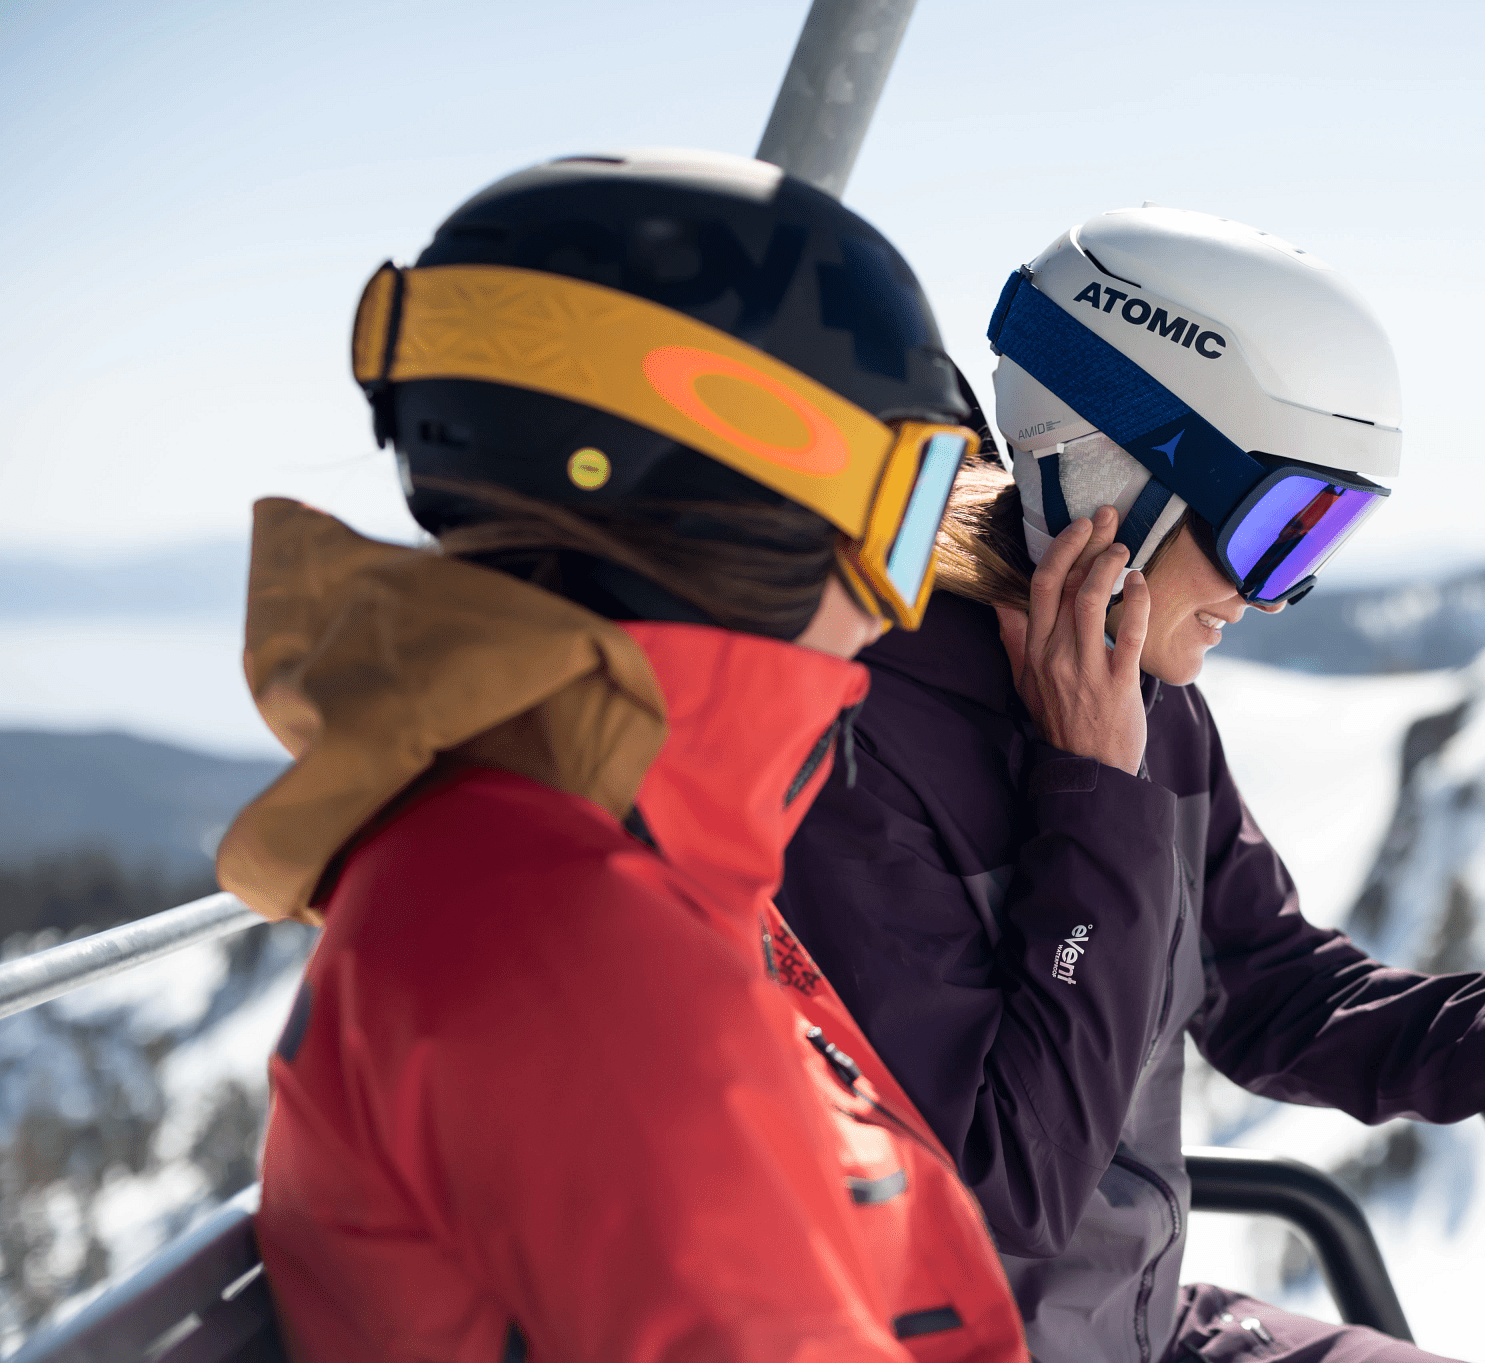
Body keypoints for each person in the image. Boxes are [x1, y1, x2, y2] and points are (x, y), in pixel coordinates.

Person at [775, 206, 1485, 1363]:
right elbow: (1005, 1189)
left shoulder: (1149, 703)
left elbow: (1271, 988)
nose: (1265, 601)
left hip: (1142, 1331)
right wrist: (1089, 785)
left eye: (1322, 540)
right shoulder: (861, 740)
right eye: (1274, 531)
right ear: (1112, 466)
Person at [218, 150, 1029, 1362]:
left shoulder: (632, 866)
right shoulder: (558, 932)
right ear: (749, 493)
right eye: (912, 512)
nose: (900, 606)